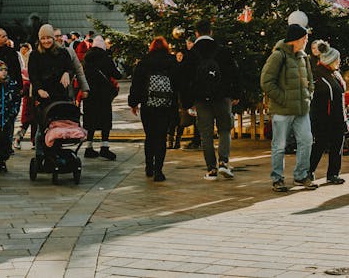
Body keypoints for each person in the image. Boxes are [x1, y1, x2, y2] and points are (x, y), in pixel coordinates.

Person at [186, 20, 241, 182]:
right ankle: (224, 162)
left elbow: (184, 79)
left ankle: (211, 169)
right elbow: (234, 73)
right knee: (224, 129)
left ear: (196, 33)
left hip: (201, 100)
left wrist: (189, 101)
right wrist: (235, 94)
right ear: (211, 32)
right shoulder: (223, 50)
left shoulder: (192, 53)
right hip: (222, 97)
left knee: (205, 134)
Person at [261, 23, 312, 190]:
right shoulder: (278, 56)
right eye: (304, 38)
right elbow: (266, 82)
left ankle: (301, 176)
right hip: (282, 110)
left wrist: (308, 96)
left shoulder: (303, 56)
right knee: (279, 145)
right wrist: (284, 99)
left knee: (306, 141)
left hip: (301, 110)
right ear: (295, 40)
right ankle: (277, 178)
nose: (306, 40)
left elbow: (310, 81)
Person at [129, 37, 180, 181]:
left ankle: (148, 167)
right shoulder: (171, 61)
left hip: (148, 105)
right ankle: (159, 171)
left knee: (150, 136)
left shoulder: (144, 61)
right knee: (161, 137)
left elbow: (136, 83)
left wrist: (133, 103)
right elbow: (178, 84)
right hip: (166, 105)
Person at [309, 41, 346, 185]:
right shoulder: (318, 74)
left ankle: (333, 174)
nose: (339, 61)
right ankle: (309, 171)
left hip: (337, 117)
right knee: (319, 145)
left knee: (337, 145)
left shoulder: (335, 74)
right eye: (337, 59)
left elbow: (339, 95)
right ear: (330, 60)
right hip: (323, 118)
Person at [82, 37, 122, 161]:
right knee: (105, 120)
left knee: (90, 120)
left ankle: (88, 148)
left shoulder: (86, 58)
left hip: (89, 95)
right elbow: (117, 75)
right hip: (103, 95)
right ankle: (104, 148)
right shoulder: (106, 58)